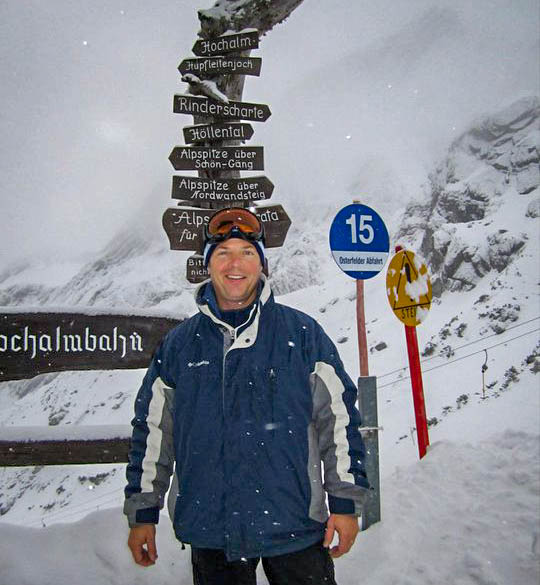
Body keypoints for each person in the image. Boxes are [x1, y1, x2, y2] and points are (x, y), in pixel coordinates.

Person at [124, 207, 369, 585]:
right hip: (212, 531)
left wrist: (345, 502)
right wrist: (143, 512)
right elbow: (154, 431)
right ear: (208, 264)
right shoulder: (179, 346)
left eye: (247, 253)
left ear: (261, 264)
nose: (234, 263)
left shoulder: (302, 335)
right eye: (223, 253)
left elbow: (338, 420)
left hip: (296, 527)